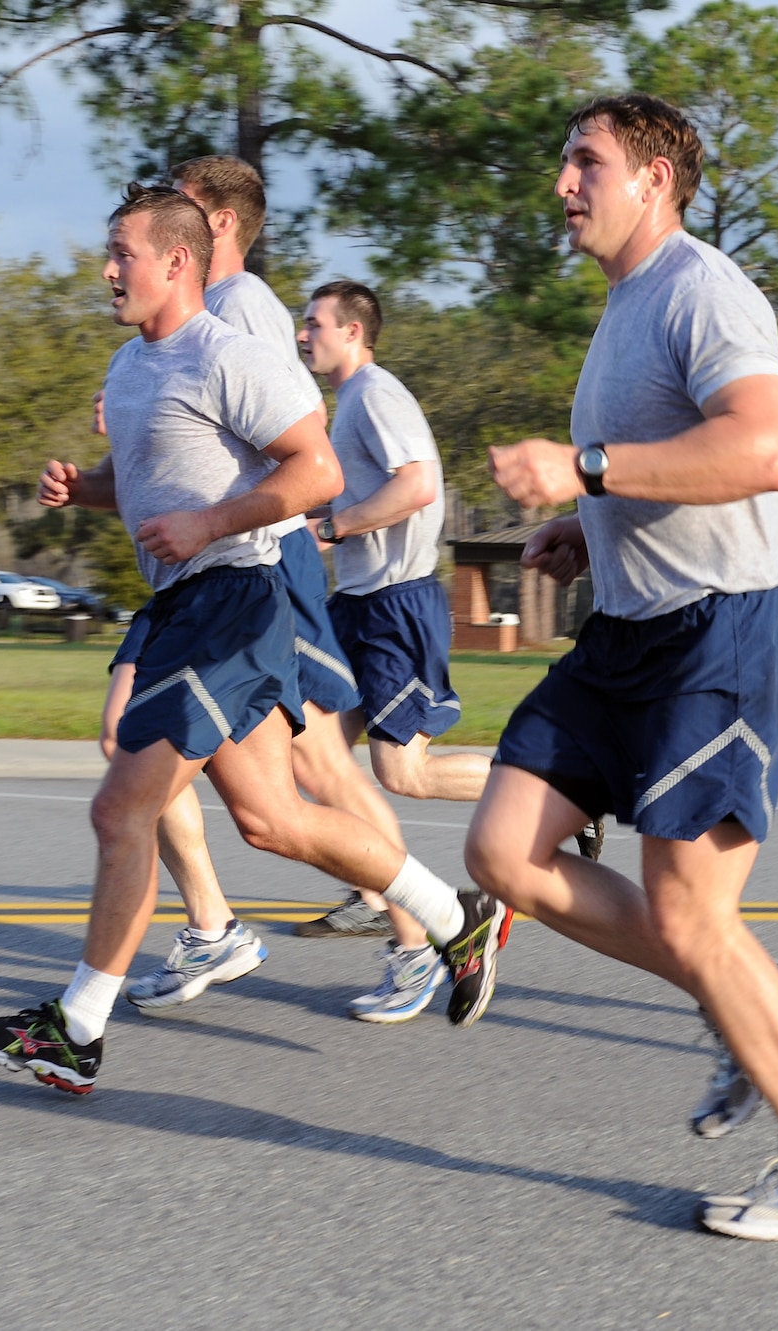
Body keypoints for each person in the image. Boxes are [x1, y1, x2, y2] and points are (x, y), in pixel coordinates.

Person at [0, 185, 507, 1093]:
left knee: (120, 807)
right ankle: (454, 915)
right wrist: (85, 489)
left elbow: (318, 470)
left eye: (121, 253)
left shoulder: (229, 355)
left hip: (235, 599)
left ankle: (76, 1026)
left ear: (177, 261)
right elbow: (152, 481)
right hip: (184, 600)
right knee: (273, 820)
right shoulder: (133, 365)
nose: (106, 270)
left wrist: (212, 523)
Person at [464, 94, 778, 1241]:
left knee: (686, 910)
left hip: (716, 639)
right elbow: (664, 470)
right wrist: (585, 527)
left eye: (584, 163)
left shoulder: (702, 288)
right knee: (503, 849)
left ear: (653, 177)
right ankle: (750, 983)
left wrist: (584, 470)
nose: (563, 184)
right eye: (564, 162)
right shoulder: (625, 306)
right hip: (626, 632)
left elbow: (763, 448)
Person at [113, 155, 453, 1017]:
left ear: (215, 224)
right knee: (151, 751)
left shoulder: (243, 307)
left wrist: (229, 518)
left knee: (321, 768)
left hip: (260, 567)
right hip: (202, 572)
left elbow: (289, 448)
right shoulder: (177, 327)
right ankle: (211, 923)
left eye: (179, 209)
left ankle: (423, 939)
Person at [294, 278, 496, 1019]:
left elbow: (417, 487)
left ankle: (417, 945)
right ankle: (380, 895)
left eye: (314, 323)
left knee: (400, 770)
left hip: (392, 607)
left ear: (353, 332)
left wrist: (332, 528)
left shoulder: (377, 393)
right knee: (308, 754)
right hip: (355, 606)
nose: (302, 334)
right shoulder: (352, 405)